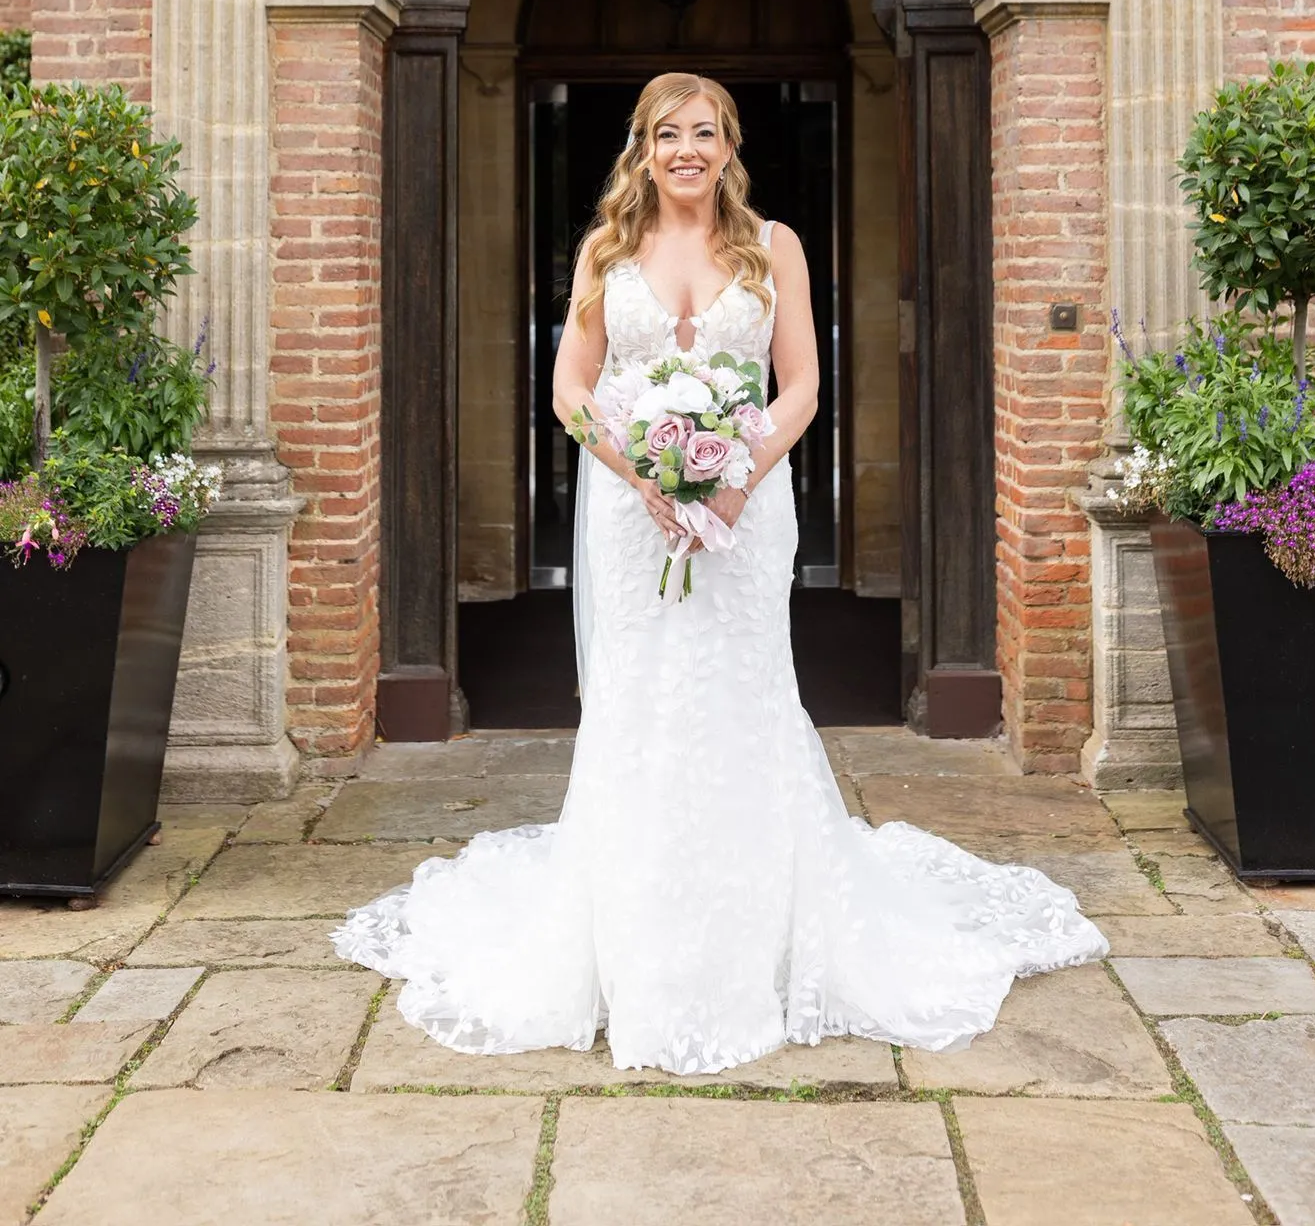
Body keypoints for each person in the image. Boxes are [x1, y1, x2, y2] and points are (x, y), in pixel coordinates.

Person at [334, 70, 1106, 1074]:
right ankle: (637, 940)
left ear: (730, 147)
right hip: (633, 516)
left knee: (742, 695)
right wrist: (642, 476)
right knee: (641, 700)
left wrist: (734, 477)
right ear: (643, 148)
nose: (686, 150)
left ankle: (759, 935)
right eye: (668, 134)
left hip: (749, 508)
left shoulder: (773, 246)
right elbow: (570, 387)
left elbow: (803, 385)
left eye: (704, 133)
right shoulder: (607, 251)